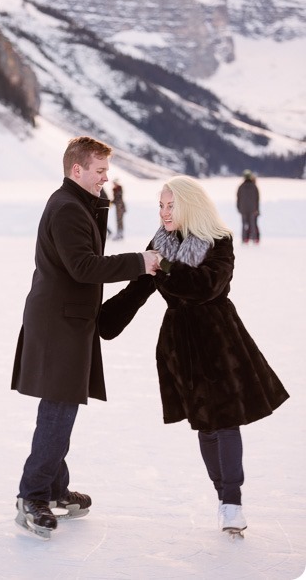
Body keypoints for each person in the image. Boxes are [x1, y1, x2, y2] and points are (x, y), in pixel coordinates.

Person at [99, 175, 289, 536]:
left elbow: (205, 286)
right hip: (180, 343)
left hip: (220, 340)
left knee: (225, 418)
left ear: (189, 204)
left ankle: (232, 502)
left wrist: (163, 266)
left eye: (171, 205)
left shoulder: (219, 240)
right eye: (161, 205)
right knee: (204, 423)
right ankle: (224, 498)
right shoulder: (160, 242)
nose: (165, 212)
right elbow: (136, 290)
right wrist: (98, 322)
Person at [11, 136, 159, 538]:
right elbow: (82, 266)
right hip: (60, 323)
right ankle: (34, 494)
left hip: (67, 320)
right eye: (99, 171)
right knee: (59, 408)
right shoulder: (66, 209)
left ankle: (55, 489)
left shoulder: (77, 205)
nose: (105, 179)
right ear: (77, 170)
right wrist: (140, 263)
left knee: (62, 406)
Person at [237, 170, 260, 243]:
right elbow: (257, 199)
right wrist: (257, 209)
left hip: (243, 209)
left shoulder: (241, 187)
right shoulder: (254, 186)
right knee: (252, 224)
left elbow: (238, 198)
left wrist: (239, 208)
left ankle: (244, 239)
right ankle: (255, 239)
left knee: (244, 224)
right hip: (253, 209)